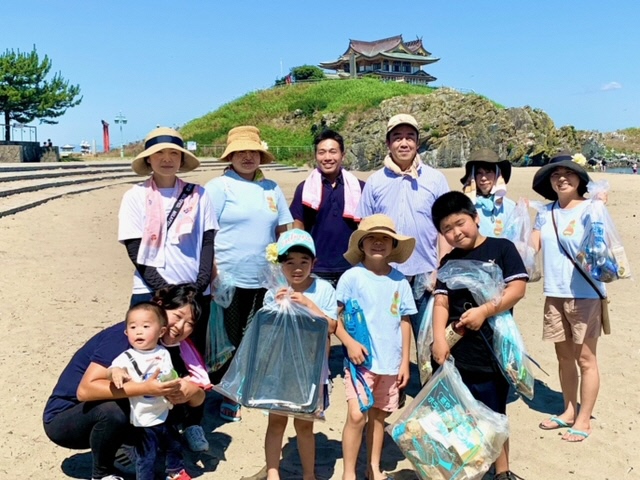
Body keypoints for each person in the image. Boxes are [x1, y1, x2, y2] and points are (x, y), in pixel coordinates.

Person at [43, 284, 208, 480]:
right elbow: (85, 391)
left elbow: (197, 397)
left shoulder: (167, 347)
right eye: (178, 316)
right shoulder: (127, 337)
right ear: (160, 306)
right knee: (113, 411)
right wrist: (145, 388)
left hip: (118, 407)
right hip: (67, 417)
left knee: (169, 398)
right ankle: (103, 473)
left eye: (189, 323)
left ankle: (130, 444)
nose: (180, 327)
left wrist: (192, 391)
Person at [430, 191, 528, 480]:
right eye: (446, 229)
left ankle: (502, 471)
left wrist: (485, 311)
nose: (455, 232)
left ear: (475, 217)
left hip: (492, 349)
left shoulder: (502, 249)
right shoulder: (447, 262)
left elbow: (517, 289)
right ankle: (468, 468)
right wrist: (438, 339)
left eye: (460, 223)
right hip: (459, 351)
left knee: (496, 412)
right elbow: (441, 302)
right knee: (460, 414)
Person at [204, 125, 293, 422]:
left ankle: (245, 387)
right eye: (240, 152)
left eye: (252, 151)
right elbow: (206, 233)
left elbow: (284, 230)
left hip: (265, 278)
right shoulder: (219, 187)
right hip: (228, 276)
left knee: (255, 335)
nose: (247, 156)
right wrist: (214, 273)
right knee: (227, 337)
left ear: (260, 155)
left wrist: (285, 273)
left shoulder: (271, 189)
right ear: (230, 156)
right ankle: (226, 392)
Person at [118, 127, 217, 357]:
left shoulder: (199, 194)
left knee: (193, 356)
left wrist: (199, 286)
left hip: (194, 292)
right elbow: (135, 250)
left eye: (174, 153)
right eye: (159, 153)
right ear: (148, 159)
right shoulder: (134, 196)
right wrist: (165, 291)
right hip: (150, 290)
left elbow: (207, 242)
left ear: (182, 158)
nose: (166, 159)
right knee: (147, 355)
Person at [531, 152, 607, 442]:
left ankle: (584, 419)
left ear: (580, 179)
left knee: (586, 359)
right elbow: (530, 247)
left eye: (568, 173)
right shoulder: (545, 212)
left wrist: (600, 207)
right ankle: (568, 410)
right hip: (554, 293)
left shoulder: (591, 208)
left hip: (585, 293)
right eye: (555, 174)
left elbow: (602, 246)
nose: (561, 178)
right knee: (564, 358)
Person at [335, 214, 417, 480]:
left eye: (385, 239)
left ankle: (373, 467)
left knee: (379, 417)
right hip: (361, 362)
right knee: (357, 416)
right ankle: (349, 472)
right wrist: (349, 343)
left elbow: (404, 321)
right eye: (372, 238)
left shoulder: (400, 281)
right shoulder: (351, 277)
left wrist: (405, 361)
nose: (378, 243)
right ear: (361, 244)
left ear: (393, 245)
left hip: (391, 362)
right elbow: (335, 317)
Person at [357, 114, 450, 338]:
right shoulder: (375, 181)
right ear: (388, 143)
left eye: (410, 137)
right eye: (397, 137)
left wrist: (440, 267)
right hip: (384, 271)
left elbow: (445, 228)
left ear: (418, 143)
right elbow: (364, 230)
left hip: (425, 271)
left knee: (425, 337)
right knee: (386, 333)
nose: (404, 142)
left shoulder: (435, 179)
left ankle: (426, 375)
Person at [262, 229, 338, 480]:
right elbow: (266, 331)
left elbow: (331, 326)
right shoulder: (273, 292)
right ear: (280, 265)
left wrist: (308, 304)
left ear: (314, 263)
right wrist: (278, 304)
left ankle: (309, 474)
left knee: (305, 426)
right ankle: (273, 473)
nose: (297, 268)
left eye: (304, 262)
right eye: (290, 262)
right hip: (281, 369)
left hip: (312, 370)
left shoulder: (323, 289)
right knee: (276, 423)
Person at [108, 302, 191, 480]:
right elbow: (112, 368)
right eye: (133, 327)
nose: (139, 331)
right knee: (147, 456)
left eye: (146, 326)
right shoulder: (127, 356)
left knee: (174, 444)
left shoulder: (163, 353)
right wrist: (117, 372)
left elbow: (170, 374)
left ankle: (175, 471)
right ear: (126, 333)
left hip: (164, 411)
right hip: (143, 418)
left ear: (161, 332)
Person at [289, 129, 365, 287]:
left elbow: (366, 225)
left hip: (352, 266)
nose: (327, 158)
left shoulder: (359, 187)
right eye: (322, 152)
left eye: (333, 152)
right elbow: (298, 225)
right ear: (315, 156)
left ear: (342, 155)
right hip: (316, 267)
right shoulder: (305, 188)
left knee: (350, 311)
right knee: (317, 312)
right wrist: (300, 260)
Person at [460, 147, 516, 238]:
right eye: (479, 173)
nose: (483, 178)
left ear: (497, 175)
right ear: (473, 176)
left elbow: (516, 239)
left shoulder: (510, 207)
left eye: (488, 172)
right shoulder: (463, 207)